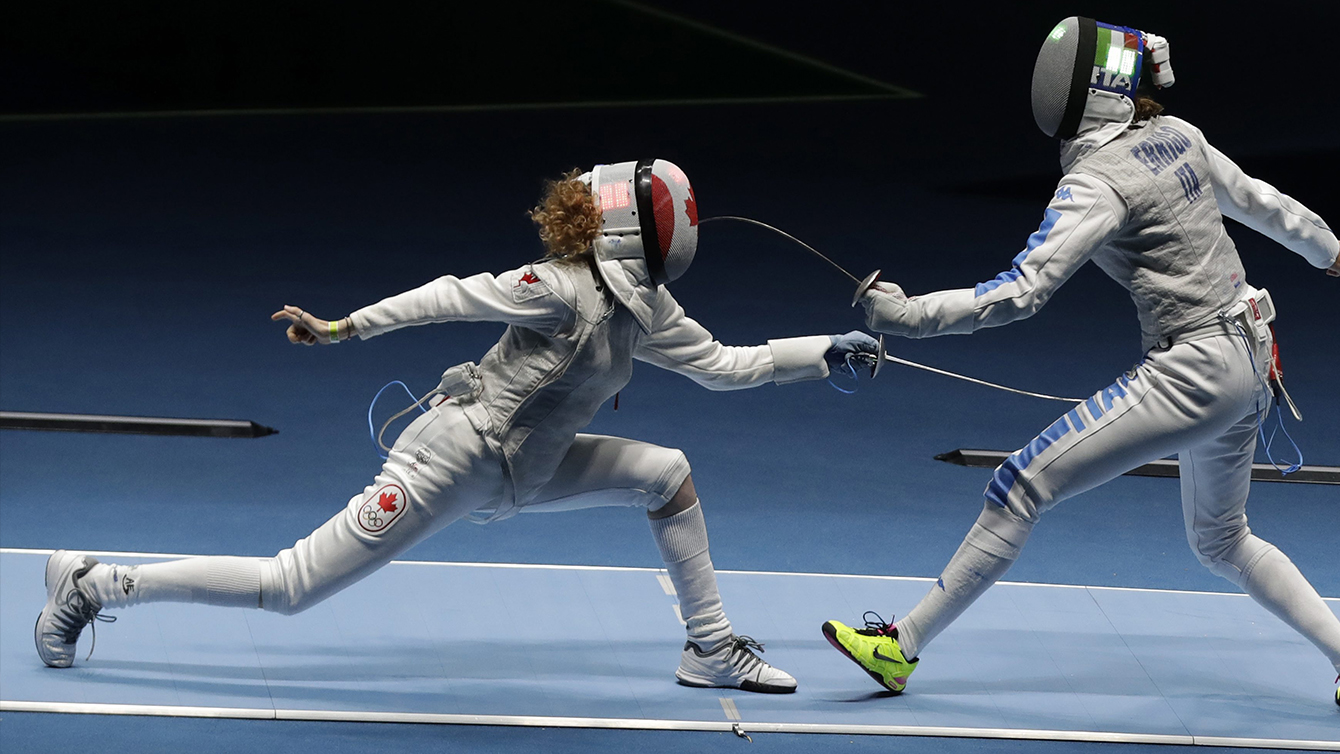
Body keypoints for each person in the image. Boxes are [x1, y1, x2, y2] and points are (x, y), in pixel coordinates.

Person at [36, 159, 880, 694]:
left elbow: (726, 366)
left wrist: (824, 353)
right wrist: (342, 329)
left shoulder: (646, 308)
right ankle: (93, 584)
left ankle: (708, 649)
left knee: (667, 472)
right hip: (451, 462)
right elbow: (447, 294)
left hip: (531, 469)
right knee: (290, 587)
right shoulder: (555, 287)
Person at [821, 18, 1340, 707]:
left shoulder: (1097, 183)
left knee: (1019, 485)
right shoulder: (1178, 135)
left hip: (1193, 372)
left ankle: (898, 649)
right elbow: (1259, 202)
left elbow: (1021, 292)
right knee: (1221, 539)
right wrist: (1331, 250)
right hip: (1254, 354)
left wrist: (907, 315)